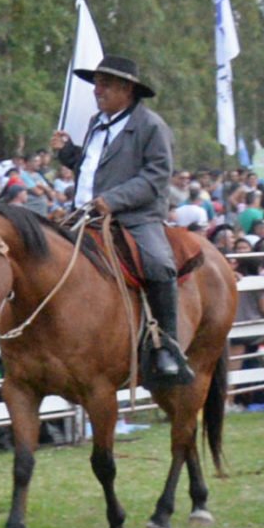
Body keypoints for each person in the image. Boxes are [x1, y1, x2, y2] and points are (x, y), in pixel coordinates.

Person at [50, 53, 189, 388]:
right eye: (97, 83)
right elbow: (95, 166)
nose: (98, 90)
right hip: (83, 217)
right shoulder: (96, 123)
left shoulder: (152, 127)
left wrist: (113, 200)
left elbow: (156, 176)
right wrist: (68, 153)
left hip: (135, 218)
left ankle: (166, 346)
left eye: (106, 84)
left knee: (158, 264)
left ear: (128, 89)